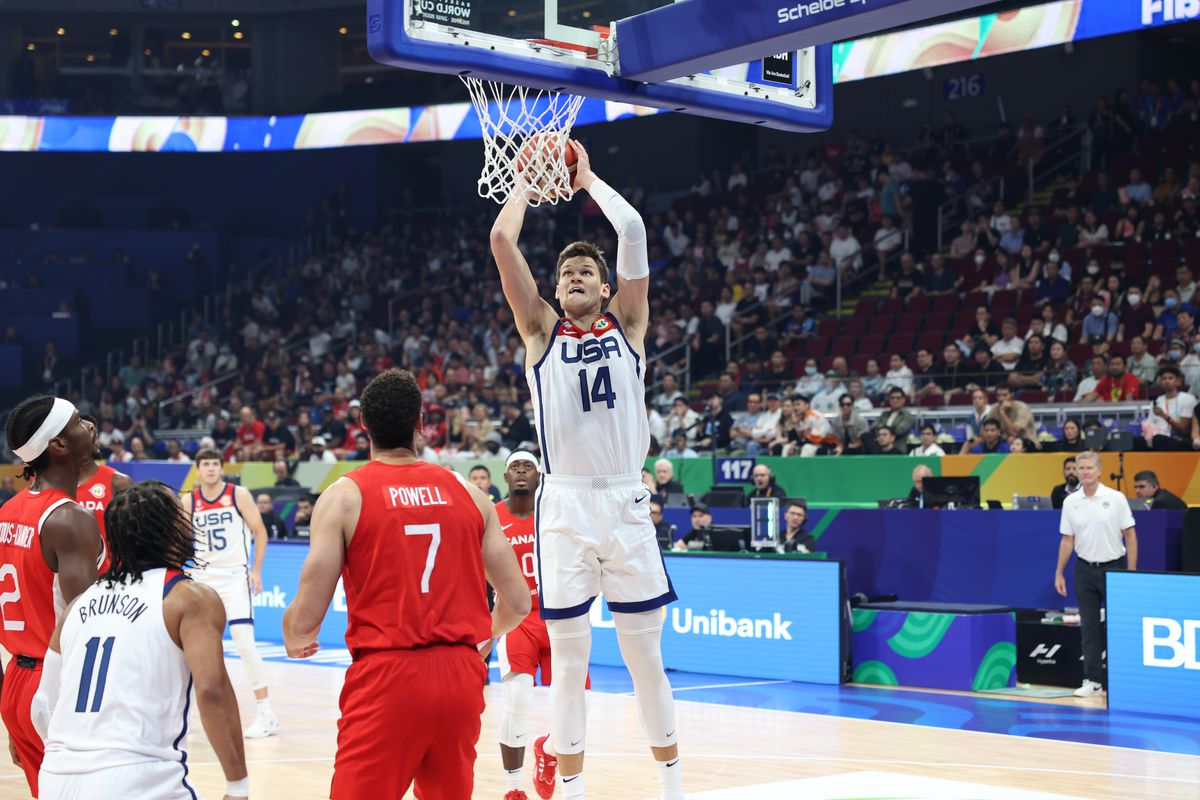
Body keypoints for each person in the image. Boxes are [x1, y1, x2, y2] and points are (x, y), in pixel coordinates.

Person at [489, 139, 682, 800]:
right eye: (565, 271)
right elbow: (501, 241)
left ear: (605, 287)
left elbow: (632, 230)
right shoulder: (540, 330)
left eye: (585, 271)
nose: (573, 275)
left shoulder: (629, 323)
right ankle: (570, 793)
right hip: (565, 505)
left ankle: (672, 788)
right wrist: (524, 182)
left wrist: (588, 180)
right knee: (569, 663)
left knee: (645, 659)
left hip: (626, 501)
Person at [282, 369, 531, 799]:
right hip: (460, 676)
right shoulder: (470, 495)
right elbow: (519, 601)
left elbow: (305, 620)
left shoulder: (344, 497)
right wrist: (486, 634)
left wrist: (295, 637)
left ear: (363, 424)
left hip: (387, 676)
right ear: (420, 422)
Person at [33, 482, 250, 800]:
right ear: (169, 529)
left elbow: (41, 706)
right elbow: (212, 690)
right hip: (138, 779)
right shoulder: (188, 597)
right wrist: (238, 786)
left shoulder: (77, 605)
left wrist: (72, 758)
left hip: (55, 778)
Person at [0, 396, 101, 796]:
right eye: (77, 422)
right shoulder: (70, 518)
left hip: (16, 683)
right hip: (57, 682)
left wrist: (13, 716)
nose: (88, 425)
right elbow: (89, 629)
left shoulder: (7, 513)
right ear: (58, 445)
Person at [493, 451, 584, 800]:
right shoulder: (492, 517)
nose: (520, 471)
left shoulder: (555, 512)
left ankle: (547, 750)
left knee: (578, 706)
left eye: (527, 466)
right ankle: (513, 789)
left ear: (539, 475)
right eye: (514, 467)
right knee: (517, 698)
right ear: (506, 477)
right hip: (516, 617)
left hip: (559, 616)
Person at [180, 448, 277, 739]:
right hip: (202, 578)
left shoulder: (238, 495)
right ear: (198, 469)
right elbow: (179, 538)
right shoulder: (189, 500)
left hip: (234, 576)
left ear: (222, 468)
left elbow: (260, 532)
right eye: (205, 464)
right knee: (191, 648)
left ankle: (266, 713)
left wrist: (256, 570)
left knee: (245, 644)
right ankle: (183, 714)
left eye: (215, 464)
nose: (211, 469)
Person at [1055, 451, 1137, 697]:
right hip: (1084, 569)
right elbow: (1067, 539)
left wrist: (1131, 573)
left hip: (1114, 568)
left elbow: (1130, 536)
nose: (1085, 472)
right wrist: (1059, 573)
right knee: (1089, 627)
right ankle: (1093, 680)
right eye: (1081, 468)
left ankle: (1120, 679)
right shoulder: (1071, 502)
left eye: (1090, 468)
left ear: (1099, 471)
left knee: (1117, 626)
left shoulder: (1116, 498)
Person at [77, 414, 133, 573]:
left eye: (94, 435)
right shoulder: (54, 484)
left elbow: (135, 534)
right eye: (85, 435)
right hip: (65, 576)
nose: (93, 440)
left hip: (110, 576)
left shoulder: (119, 482)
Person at [1144, 366, 1195, 451]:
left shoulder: (1187, 399)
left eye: (1170, 378)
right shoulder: (1157, 401)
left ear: (1178, 381)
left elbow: (1184, 430)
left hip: (1181, 441)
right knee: (1138, 442)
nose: (1167, 381)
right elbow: (1150, 424)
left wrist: (1164, 416)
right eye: (1164, 378)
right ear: (1160, 382)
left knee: (1158, 439)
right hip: (1159, 440)